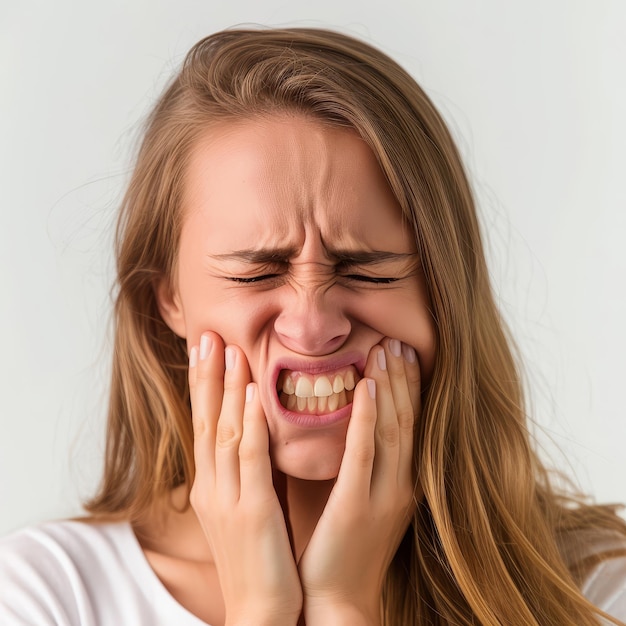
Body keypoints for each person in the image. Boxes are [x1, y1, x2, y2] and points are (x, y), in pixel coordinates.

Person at [1, 27, 625, 626]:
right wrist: (260, 613)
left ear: (444, 295)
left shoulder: (596, 587)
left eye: (369, 271)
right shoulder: (47, 597)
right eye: (256, 273)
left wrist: (344, 608)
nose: (313, 324)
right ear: (168, 300)